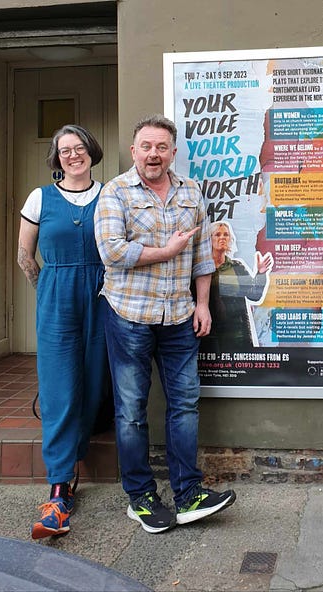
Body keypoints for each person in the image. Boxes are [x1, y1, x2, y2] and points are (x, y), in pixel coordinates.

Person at [94, 114, 236, 534]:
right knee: (132, 411)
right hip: (129, 317)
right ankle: (140, 498)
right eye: (146, 147)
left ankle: (188, 494)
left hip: (178, 316)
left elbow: (203, 257)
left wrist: (203, 304)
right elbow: (112, 253)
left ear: (173, 152)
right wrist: (167, 250)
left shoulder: (191, 192)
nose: (153, 154)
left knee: (185, 406)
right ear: (134, 150)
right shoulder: (115, 193)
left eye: (161, 147)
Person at [17, 124, 110, 539]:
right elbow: (24, 254)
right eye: (64, 150)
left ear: (92, 151)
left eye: (79, 148)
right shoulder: (40, 197)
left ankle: (76, 461)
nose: (73, 155)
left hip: (102, 295)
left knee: (93, 383)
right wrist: (47, 293)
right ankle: (58, 489)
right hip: (56, 296)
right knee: (57, 388)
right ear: (56, 158)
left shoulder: (112, 194)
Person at [206, 221, 273, 350]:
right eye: (217, 234)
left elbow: (254, 295)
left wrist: (261, 273)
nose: (222, 238)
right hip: (209, 334)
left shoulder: (237, 266)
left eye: (226, 235)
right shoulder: (202, 268)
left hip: (238, 334)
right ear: (209, 239)